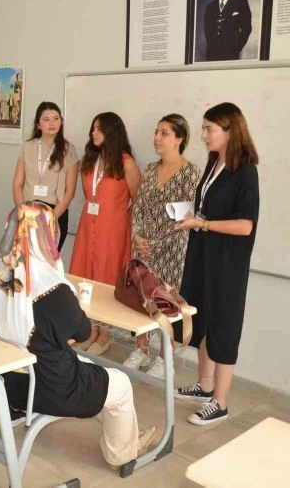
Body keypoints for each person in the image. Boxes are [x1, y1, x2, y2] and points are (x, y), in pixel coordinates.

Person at [0, 203, 156, 468]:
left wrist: (50, 335)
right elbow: (82, 332)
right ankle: (122, 454)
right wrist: (58, 334)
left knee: (90, 365)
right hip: (51, 389)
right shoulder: (54, 290)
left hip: (8, 383)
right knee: (121, 383)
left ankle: (121, 432)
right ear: (47, 238)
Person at [174, 103, 259, 425]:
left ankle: (220, 402)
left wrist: (203, 224)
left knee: (223, 325)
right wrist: (190, 217)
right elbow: (209, 207)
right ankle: (205, 386)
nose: (204, 135)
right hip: (204, 254)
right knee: (203, 316)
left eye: (209, 129)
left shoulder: (245, 170)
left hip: (227, 263)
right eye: (204, 128)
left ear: (230, 131)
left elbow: (245, 225)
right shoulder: (214, 162)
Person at [125, 115, 202, 378]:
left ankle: (163, 357)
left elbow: (185, 219)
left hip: (172, 250)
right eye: (156, 132)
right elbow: (138, 208)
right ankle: (141, 349)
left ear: (179, 139)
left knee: (166, 303)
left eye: (164, 133)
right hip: (143, 247)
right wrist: (137, 236)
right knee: (141, 299)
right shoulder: (149, 169)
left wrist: (155, 245)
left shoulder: (190, 174)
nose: (157, 138)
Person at [70, 112, 142, 355]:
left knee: (106, 278)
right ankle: (90, 329)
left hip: (113, 231)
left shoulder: (126, 163)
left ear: (112, 132)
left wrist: (122, 222)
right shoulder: (90, 160)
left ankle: (105, 334)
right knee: (86, 276)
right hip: (87, 227)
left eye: (99, 129)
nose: (94, 133)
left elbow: (139, 200)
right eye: (93, 129)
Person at [12, 101, 79, 251]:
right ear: (38, 124)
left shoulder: (68, 150)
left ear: (61, 122)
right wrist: (24, 212)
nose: (52, 123)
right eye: (46, 119)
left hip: (55, 214)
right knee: (27, 259)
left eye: (56, 119)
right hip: (29, 211)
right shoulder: (28, 147)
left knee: (48, 261)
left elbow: (70, 192)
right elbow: (17, 184)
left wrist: (50, 218)